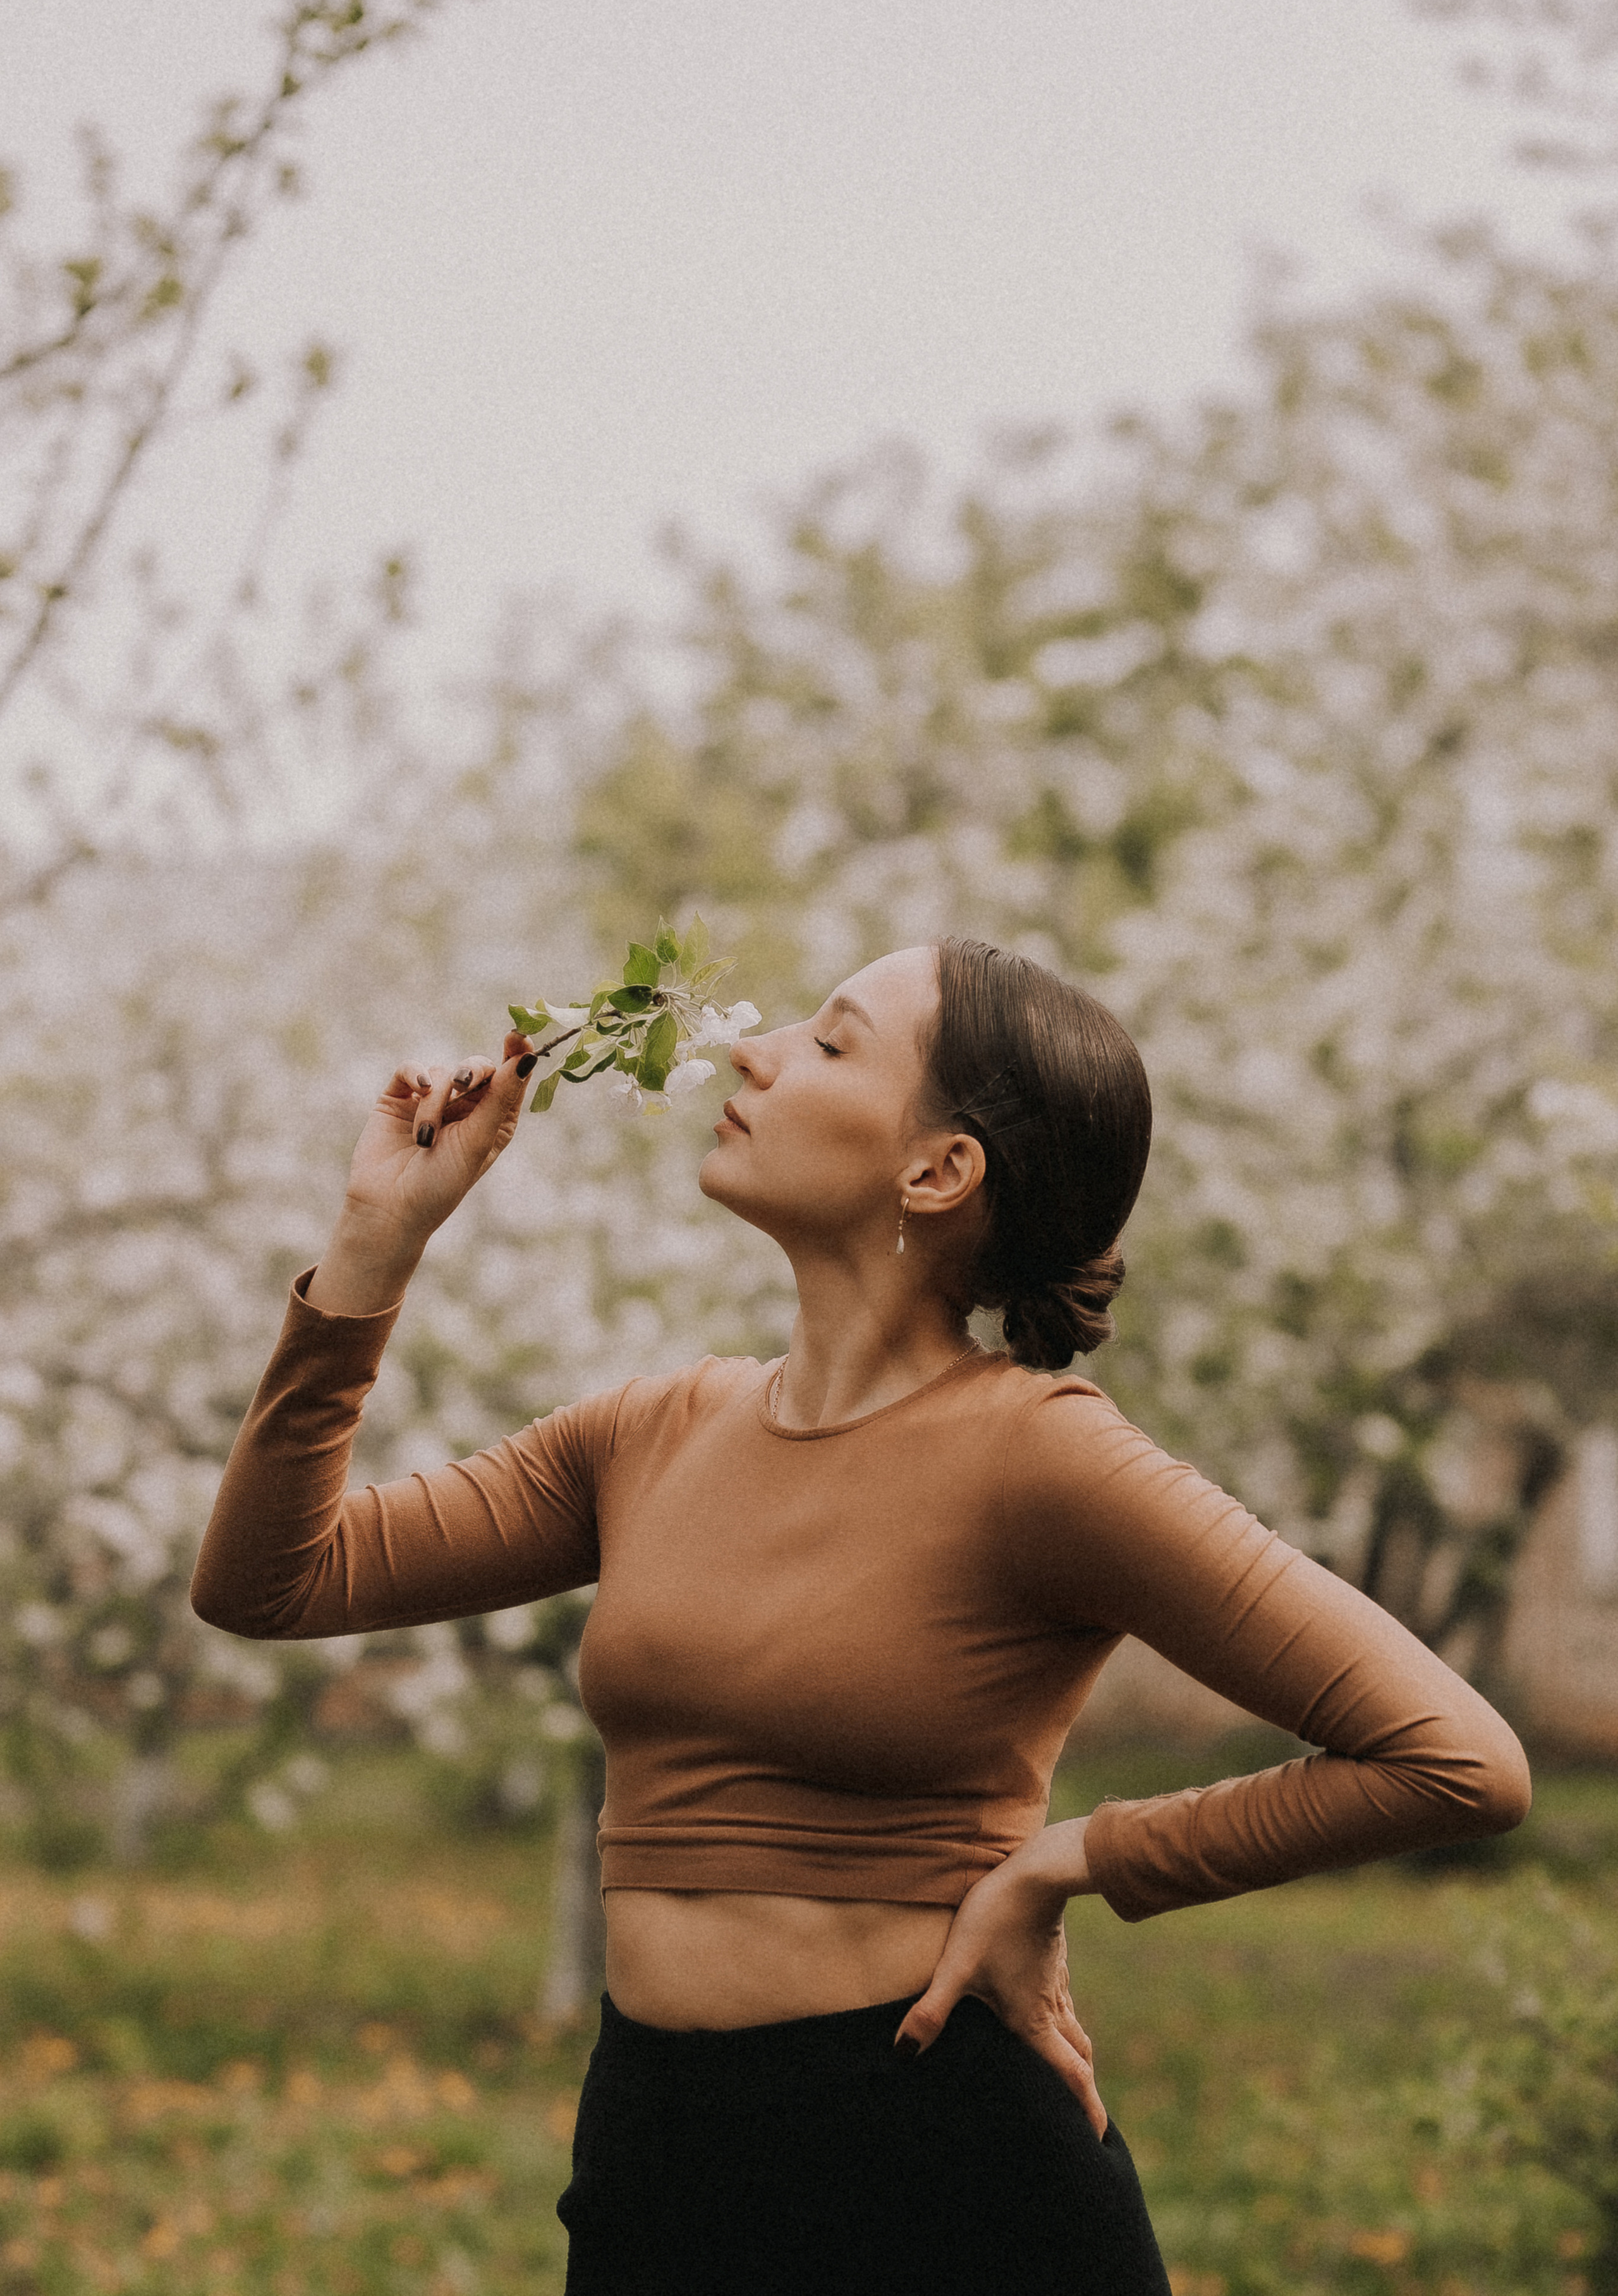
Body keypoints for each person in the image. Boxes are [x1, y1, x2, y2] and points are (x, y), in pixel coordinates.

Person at [192, 935, 1531, 2296]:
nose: (746, 1050)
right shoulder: (646, 1431)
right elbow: (267, 1583)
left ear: (937, 1172)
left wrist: (1073, 1861)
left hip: (940, 2164)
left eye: (827, 1043)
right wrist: (377, 1240)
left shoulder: (1041, 1457)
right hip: (655, 2156)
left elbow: (1452, 1759)